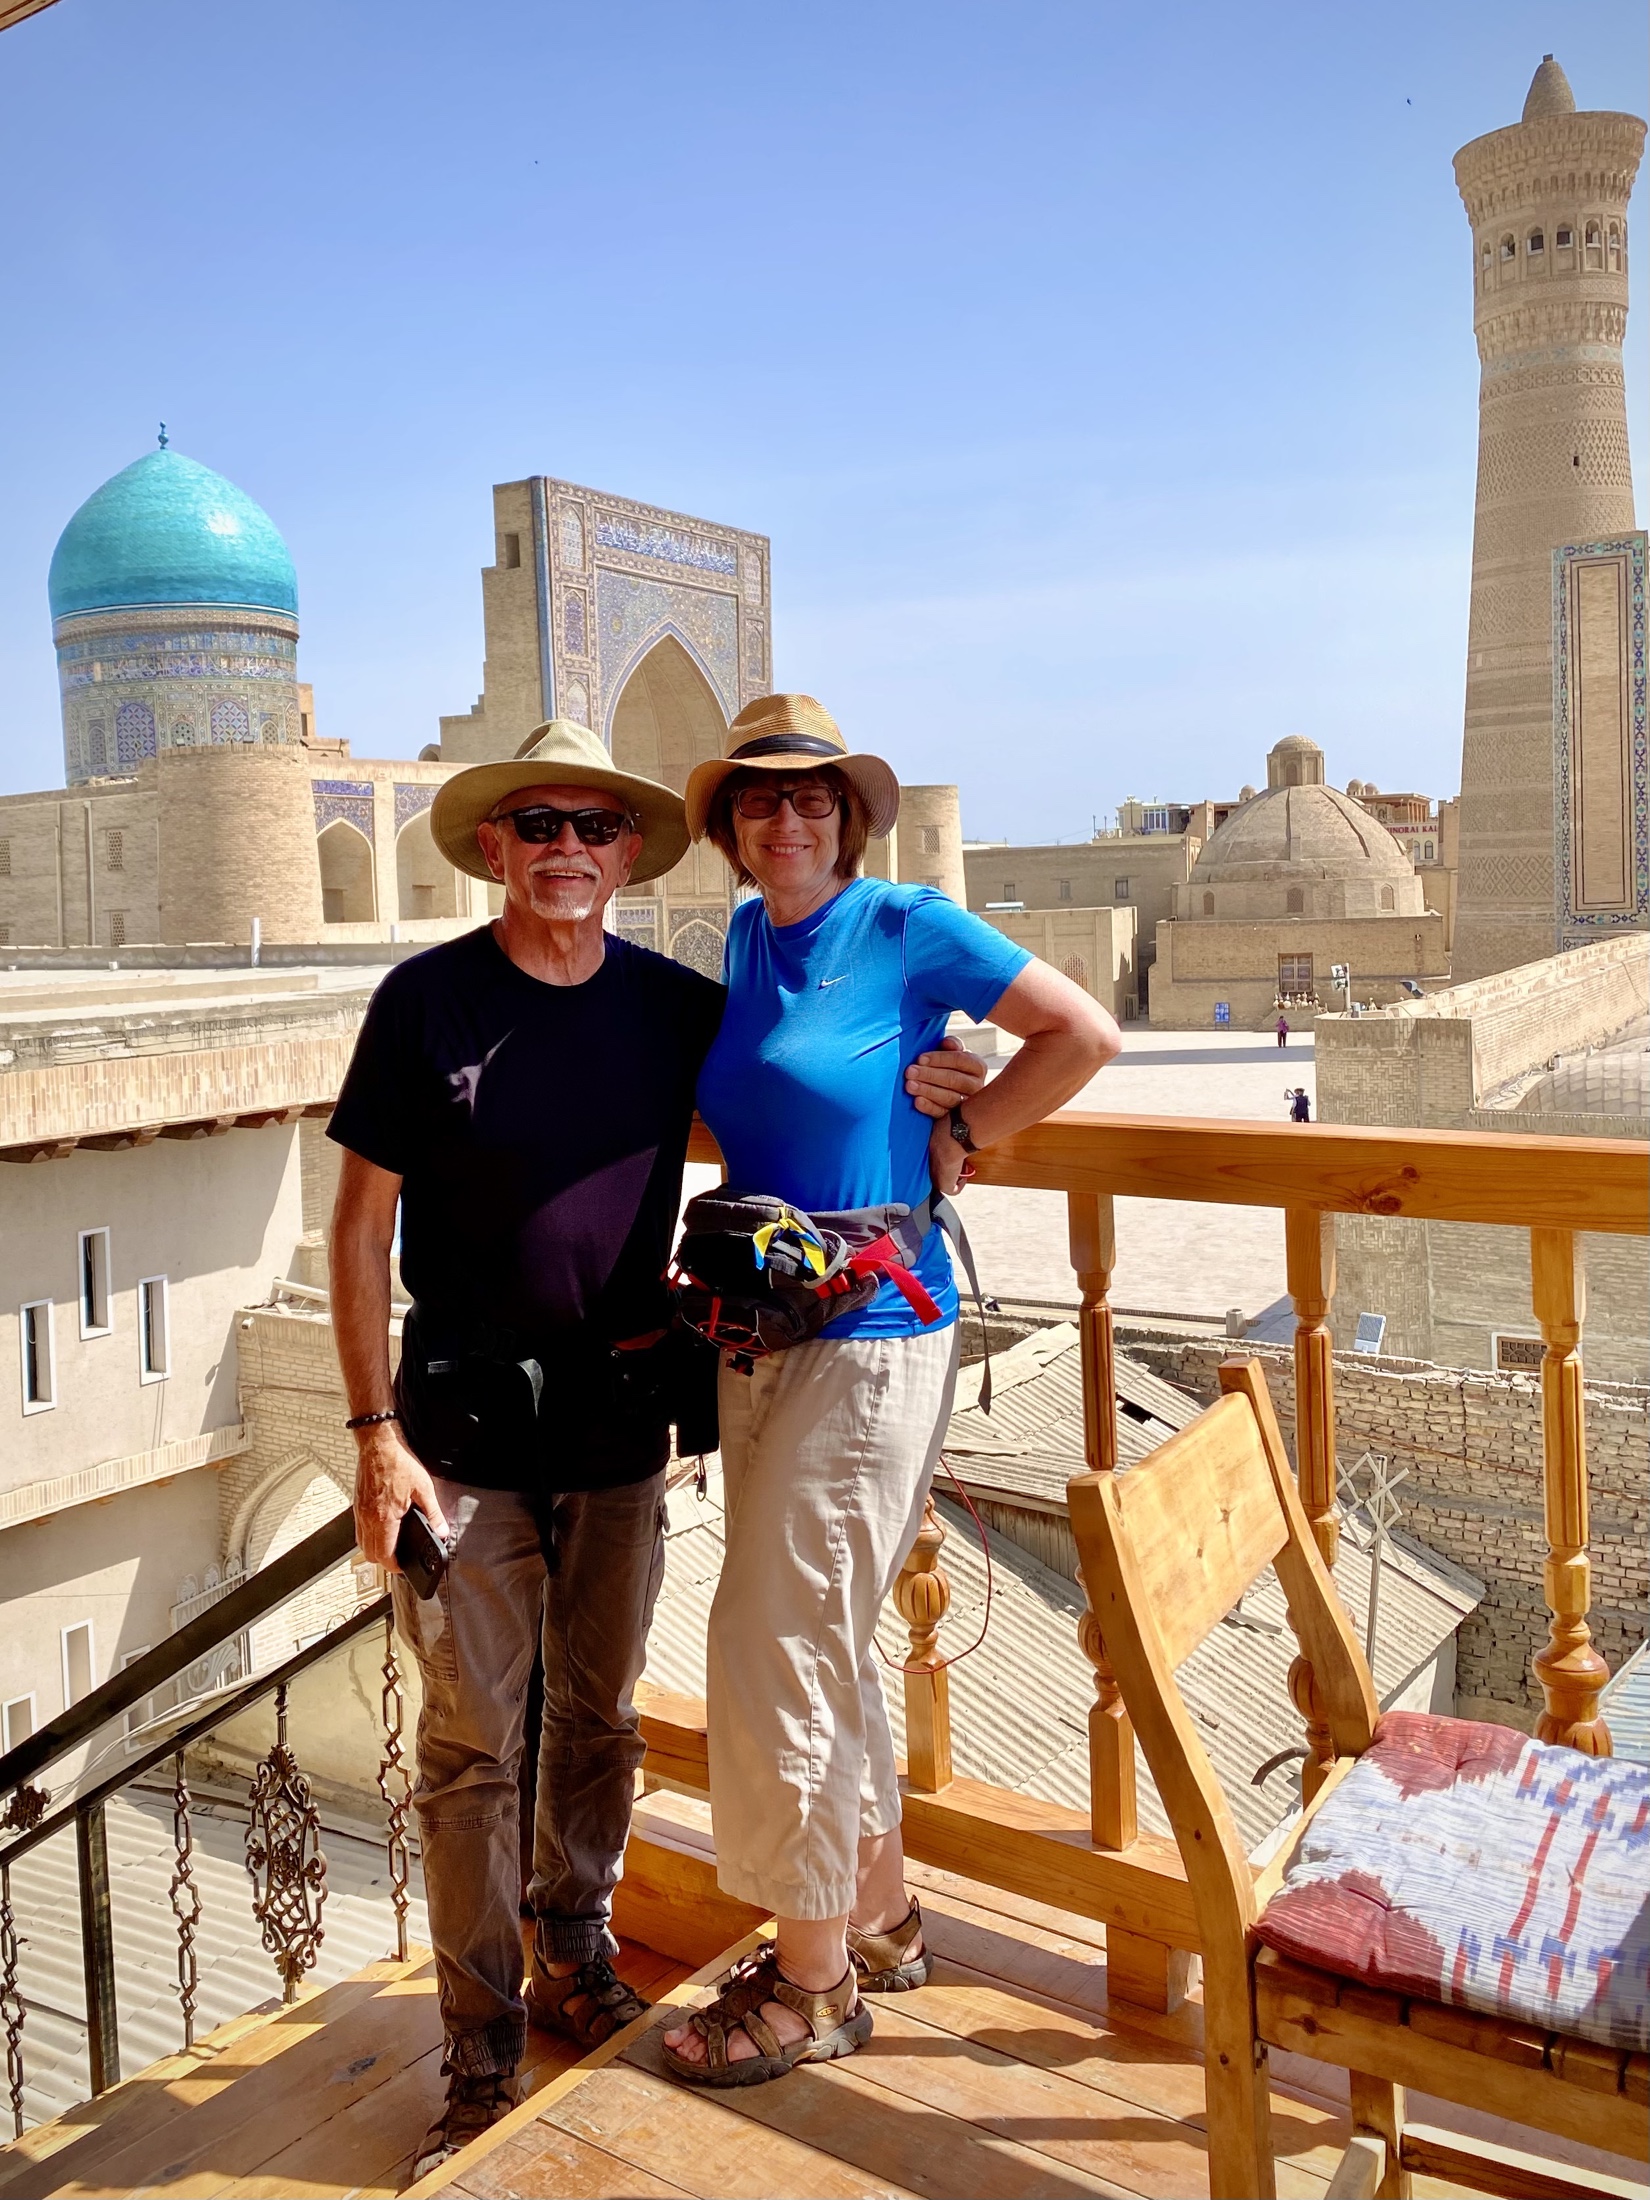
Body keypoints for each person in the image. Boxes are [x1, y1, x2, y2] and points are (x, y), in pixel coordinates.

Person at [327, 717, 984, 2180]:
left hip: (621, 1420)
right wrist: (375, 1435)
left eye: (594, 827)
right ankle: (480, 2056)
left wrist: (949, 1088)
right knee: (471, 1750)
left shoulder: (675, 1005)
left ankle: (577, 1958)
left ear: (630, 853)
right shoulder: (426, 1003)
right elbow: (361, 1227)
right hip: (465, 1433)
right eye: (538, 825)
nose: (566, 849)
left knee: (600, 1717)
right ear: (492, 846)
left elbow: (805, 1066)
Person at [661, 694, 1119, 2089]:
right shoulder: (747, 938)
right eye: (757, 799)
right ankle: (878, 1916)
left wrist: (969, 1120)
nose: (784, 819)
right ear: (730, 827)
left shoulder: (907, 925)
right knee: (823, 1636)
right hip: (765, 1328)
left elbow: (1082, 1033)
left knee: (774, 1643)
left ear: (849, 817)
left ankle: (812, 1987)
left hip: (872, 1332)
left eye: (811, 797)